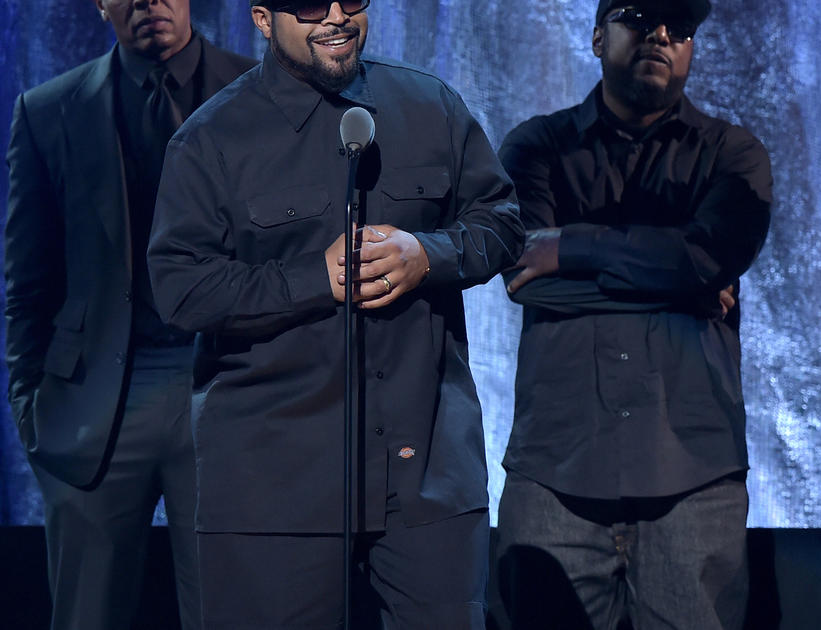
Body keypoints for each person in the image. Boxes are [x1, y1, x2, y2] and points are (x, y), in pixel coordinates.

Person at [145, 0, 522, 627]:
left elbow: (502, 223)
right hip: (272, 490)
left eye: (352, 0)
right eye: (313, 5)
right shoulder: (212, 139)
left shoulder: (431, 107)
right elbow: (182, 289)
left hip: (424, 477)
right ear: (263, 19)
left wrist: (428, 255)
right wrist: (311, 279)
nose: (337, 16)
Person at [495, 1, 772, 627]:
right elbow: (524, 279)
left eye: (680, 27)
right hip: (556, 468)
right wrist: (684, 285)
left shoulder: (734, 153)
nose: (662, 36)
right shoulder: (536, 146)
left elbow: (712, 257)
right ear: (598, 37)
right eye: (641, 18)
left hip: (692, 473)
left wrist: (574, 247)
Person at [3, 1, 254, 628]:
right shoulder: (48, 109)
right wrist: (33, 409)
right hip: (95, 405)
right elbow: (26, 284)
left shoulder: (261, 93)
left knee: (235, 612)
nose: (149, 1)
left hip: (229, 385)